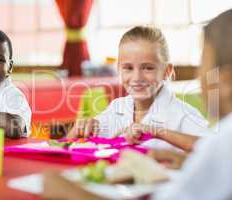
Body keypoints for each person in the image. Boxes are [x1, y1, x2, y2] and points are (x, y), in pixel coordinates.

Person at [67, 26, 210, 152]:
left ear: (167, 71)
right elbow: (67, 146)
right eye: (128, 68)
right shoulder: (117, 108)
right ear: (119, 70)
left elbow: (214, 149)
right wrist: (79, 128)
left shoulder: (183, 114)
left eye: (148, 68)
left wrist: (156, 132)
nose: (137, 77)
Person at [152, 9, 232, 200]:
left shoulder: (225, 140)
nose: (198, 77)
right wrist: (195, 164)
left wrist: (67, 189)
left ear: (227, 80)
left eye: (202, 66)